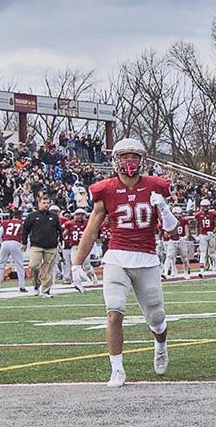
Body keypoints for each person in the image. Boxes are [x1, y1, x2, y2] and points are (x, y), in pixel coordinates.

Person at [70, 138, 174, 387]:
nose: (129, 161)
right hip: (116, 257)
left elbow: (171, 229)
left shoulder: (155, 187)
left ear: (143, 160)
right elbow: (92, 229)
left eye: (134, 156)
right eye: (124, 156)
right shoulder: (105, 189)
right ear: (115, 160)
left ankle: (160, 344)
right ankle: (117, 368)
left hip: (147, 259)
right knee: (114, 312)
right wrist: (77, 263)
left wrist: (165, 208)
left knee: (157, 318)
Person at [23, 194, 63, 298]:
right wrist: (23, 243)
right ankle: (36, 284)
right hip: (36, 245)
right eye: (44, 203)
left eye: (47, 203)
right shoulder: (32, 216)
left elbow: (59, 230)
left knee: (48, 268)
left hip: (51, 246)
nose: (46, 205)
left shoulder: (53, 216)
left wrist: (60, 241)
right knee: (33, 265)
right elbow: (25, 230)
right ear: (39, 203)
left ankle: (46, 290)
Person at [0, 212, 25, 292]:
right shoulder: (21, 224)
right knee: (19, 266)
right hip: (16, 243)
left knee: (0, 264)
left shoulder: (5, 223)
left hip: (5, 243)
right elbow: (24, 236)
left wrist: (3, 244)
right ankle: (22, 286)